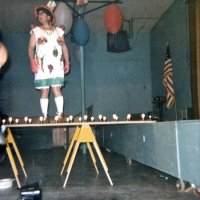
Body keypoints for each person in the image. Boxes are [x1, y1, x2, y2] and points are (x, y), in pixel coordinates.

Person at [28, 1, 70, 122]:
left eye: (42, 14)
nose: (40, 16)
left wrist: (67, 62)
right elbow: (31, 48)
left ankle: (60, 114)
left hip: (56, 64)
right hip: (42, 65)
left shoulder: (58, 31)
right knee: (44, 90)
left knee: (56, 88)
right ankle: (45, 115)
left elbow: (64, 47)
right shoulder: (36, 31)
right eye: (39, 14)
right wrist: (32, 61)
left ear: (49, 16)